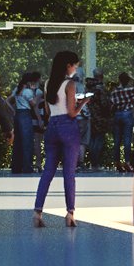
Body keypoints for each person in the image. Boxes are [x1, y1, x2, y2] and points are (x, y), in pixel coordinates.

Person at [30, 50, 90, 227]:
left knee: (48, 171)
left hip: (52, 127)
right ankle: (70, 213)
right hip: (68, 128)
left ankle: (38, 211)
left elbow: (48, 111)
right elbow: (71, 112)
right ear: (68, 65)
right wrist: (83, 103)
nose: (76, 69)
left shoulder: (48, 83)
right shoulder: (69, 84)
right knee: (69, 173)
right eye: (75, 65)